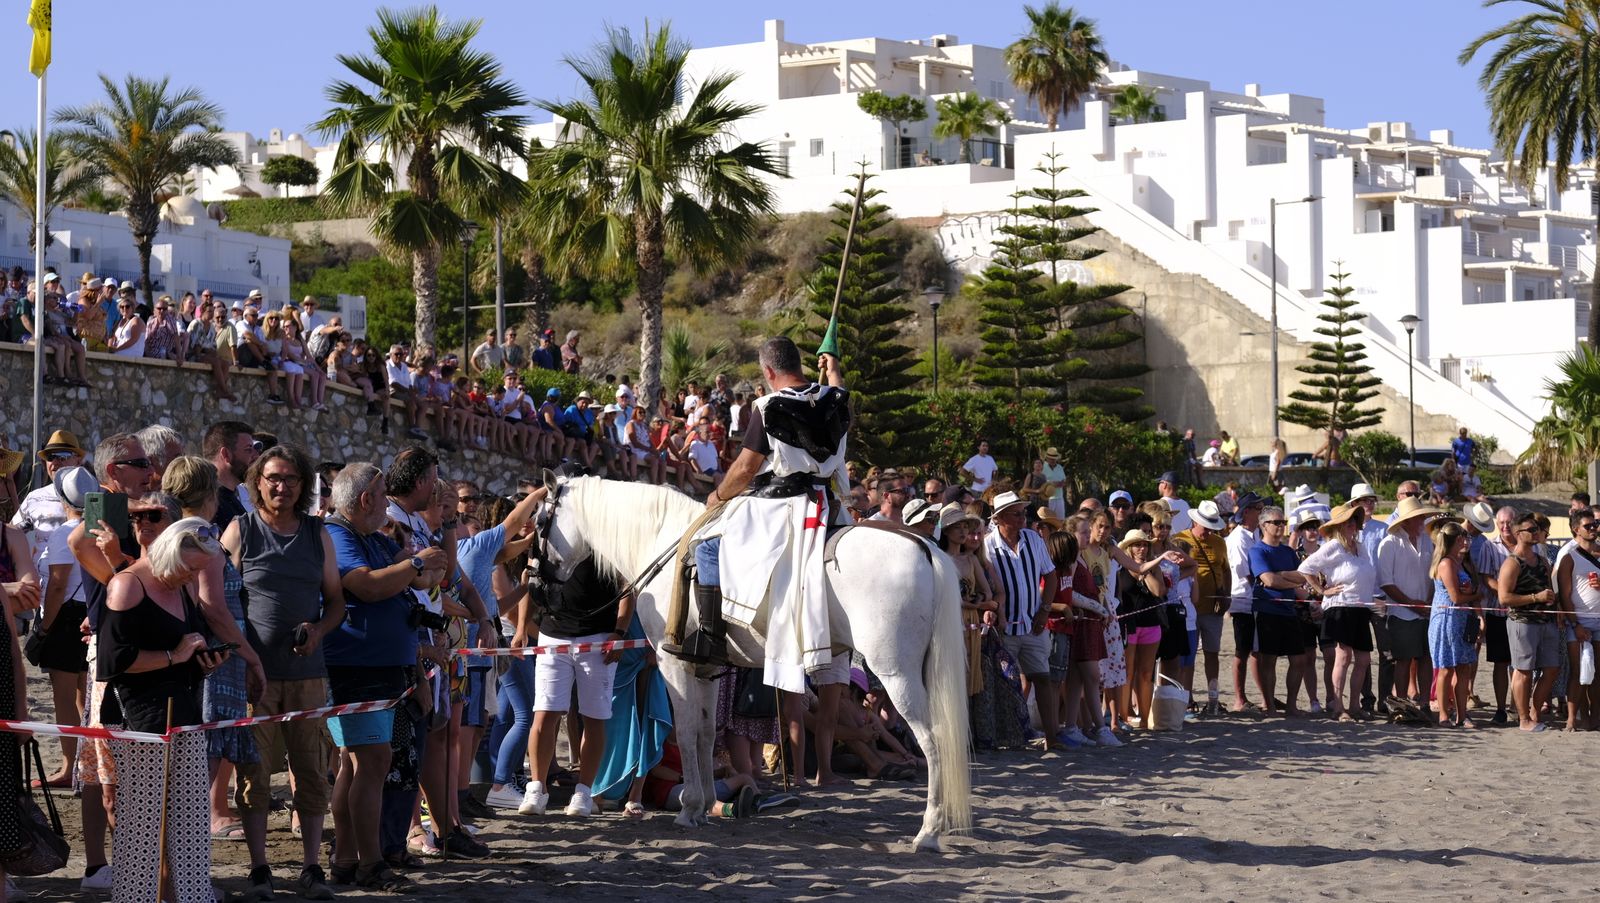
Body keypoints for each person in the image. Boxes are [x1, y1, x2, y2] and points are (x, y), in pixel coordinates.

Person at [222, 445, 347, 899]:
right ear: (257, 481)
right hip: (254, 677)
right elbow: (215, 596)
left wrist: (318, 630)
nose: (282, 486)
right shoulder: (240, 531)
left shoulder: (319, 535)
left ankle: (311, 867)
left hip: (308, 675)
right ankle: (259, 869)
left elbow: (336, 601)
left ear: (303, 484)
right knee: (253, 776)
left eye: (291, 478)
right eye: (273, 477)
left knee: (312, 773)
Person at [98, 517, 233, 903]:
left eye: (197, 570)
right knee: (142, 825)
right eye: (188, 568)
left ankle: (193, 896)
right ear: (170, 553)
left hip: (184, 714)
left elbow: (186, 646)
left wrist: (202, 659)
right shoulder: (127, 585)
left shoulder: (184, 586)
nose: (191, 576)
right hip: (140, 720)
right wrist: (175, 655)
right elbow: (113, 661)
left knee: (191, 820)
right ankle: (134, 898)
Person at [323, 463, 435, 892]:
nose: (388, 503)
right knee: (371, 762)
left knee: (357, 765)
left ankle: (347, 859)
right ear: (366, 499)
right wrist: (418, 562)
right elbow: (367, 587)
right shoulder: (338, 535)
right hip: (356, 666)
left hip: (379, 666)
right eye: (384, 494)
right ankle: (370, 864)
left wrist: (420, 561)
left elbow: (422, 577)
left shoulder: (370, 537)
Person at [517, 533, 637, 818]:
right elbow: (530, 585)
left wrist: (619, 632)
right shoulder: (549, 543)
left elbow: (627, 589)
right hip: (552, 635)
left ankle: (584, 792)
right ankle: (537, 787)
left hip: (597, 639)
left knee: (594, 717)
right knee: (544, 714)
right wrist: (521, 628)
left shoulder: (608, 543)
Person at [985, 492, 1061, 745]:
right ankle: (1009, 736)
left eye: (1023, 513)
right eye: (1016, 514)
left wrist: (1045, 609)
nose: (1023, 518)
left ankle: (1052, 736)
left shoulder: (1033, 539)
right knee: (1005, 684)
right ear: (999, 518)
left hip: (1032, 623)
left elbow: (1050, 575)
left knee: (1042, 677)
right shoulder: (987, 546)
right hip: (1004, 627)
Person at [1298, 503, 1377, 721]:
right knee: (1343, 657)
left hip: (1361, 607)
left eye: (1354, 521)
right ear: (1339, 526)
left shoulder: (1360, 547)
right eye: (1348, 521)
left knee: (1363, 659)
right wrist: (1323, 590)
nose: (1353, 525)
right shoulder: (1333, 546)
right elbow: (1306, 568)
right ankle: (1338, 706)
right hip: (1341, 606)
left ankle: (1353, 706)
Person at [1377, 497, 1440, 711]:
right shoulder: (1389, 544)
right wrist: (1412, 604)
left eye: (1422, 516)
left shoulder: (1427, 541)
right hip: (1401, 614)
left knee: (1425, 659)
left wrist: (1429, 602)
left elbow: (1433, 575)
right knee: (1403, 660)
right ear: (1406, 520)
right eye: (1418, 517)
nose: (1422, 520)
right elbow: (1386, 583)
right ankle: (1402, 704)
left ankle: (1423, 702)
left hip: (1425, 610)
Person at [1247, 506, 1310, 717]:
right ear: (1264, 525)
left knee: (1299, 659)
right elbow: (1268, 580)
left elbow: (1302, 576)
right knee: (1269, 660)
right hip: (1267, 610)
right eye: (1277, 522)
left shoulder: (1288, 551)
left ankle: (1291, 705)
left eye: (1283, 522)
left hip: (1289, 610)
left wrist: (1280, 575)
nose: (1282, 526)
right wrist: (1283, 579)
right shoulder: (1257, 550)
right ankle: (1270, 706)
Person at [1499, 512, 1560, 732]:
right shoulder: (1512, 563)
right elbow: (1504, 598)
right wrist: (1536, 598)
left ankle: (1534, 712)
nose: (1537, 533)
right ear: (1518, 534)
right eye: (1531, 530)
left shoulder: (1542, 560)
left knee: (1552, 668)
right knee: (1523, 670)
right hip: (1522, 622)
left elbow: (1550, 589)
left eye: (1537, 529)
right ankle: (1523, 718)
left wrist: (1553, 603)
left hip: (1546, 620)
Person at [1171, 500, 1228, 714]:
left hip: (1213, 606)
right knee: (1188, 656)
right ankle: (1187, 698)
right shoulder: (1179, 540)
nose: (1208, 532)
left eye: (1212, 527)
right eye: (1205, 526)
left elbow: (1226, 569)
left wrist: (1227, 595)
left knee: (1212, 652)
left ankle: (1213, 699)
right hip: (1187, 608)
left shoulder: (1220, 543)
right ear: (1194, 520)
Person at [1428, 520, 1481, 728]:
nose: (1467, 542)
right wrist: (1476, 595)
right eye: (1463, 538)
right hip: (1447, 619)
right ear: (1455, 540)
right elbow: (1456, 597)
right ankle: (1443, 714)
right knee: (1446, 669)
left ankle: (1462, 714)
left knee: (1463, 668)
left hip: (1460, 619)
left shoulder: (1458, 562)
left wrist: (1471, 595)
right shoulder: (1446, 563)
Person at [1558, 507, 1600, 731]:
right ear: (1576, 529)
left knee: (1597, 673)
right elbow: (1564, 595)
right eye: (1589, 526)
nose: (1594, 529)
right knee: (1577, 672)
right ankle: (1572, 719)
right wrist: (1575, 623)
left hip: (1599, 618)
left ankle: (1594, 717)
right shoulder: (1568, 557)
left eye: (1595, 525)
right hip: (1578, 620)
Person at [1225, 492, 1266, 712]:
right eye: (1258, 509)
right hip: (1243, 599)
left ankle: (1263, 696)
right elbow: (1246, 572)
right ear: (1247, 512)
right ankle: (1239, 699)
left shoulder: (1255, 533)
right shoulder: (1238, 538)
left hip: (1256, 598)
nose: (1261, 513)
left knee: (1256, 650)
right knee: (1243, 649)